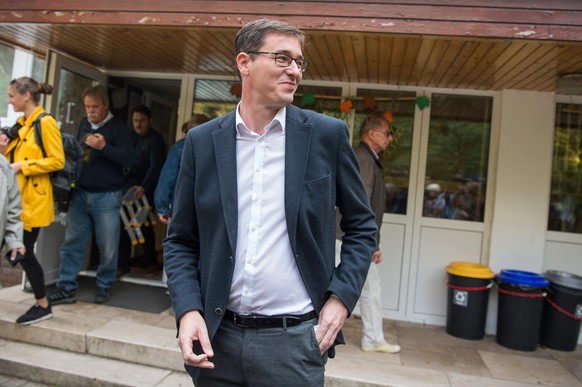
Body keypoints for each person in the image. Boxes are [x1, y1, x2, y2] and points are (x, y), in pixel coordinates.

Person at [163, 18, 377, 386]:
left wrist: (341, 299)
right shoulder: (202, 142)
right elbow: (181, 240)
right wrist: (188, 310)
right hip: (217, 342)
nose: (294, 70)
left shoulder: (326, 135)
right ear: (244, 63)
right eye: (282, 58)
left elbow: (362, 226)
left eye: (298, 61)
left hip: (295, 345)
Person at [48, 85, 136, 305]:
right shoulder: (84, 125)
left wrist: (104, 147)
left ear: (105, 106)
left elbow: (130, 160)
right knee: (72, 242)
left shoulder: (119, 129)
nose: (90, 111)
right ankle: (66, 286)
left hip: (107, 196)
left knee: (107, 246)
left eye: (95, 106)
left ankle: (104, 285)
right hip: (80, 194)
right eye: (87, 107)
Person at [0, 77, 65, 325]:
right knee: (22, 252)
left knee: (24, 252)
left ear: (26, 95)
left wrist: (21, 166)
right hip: (13, 200)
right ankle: (42, 302)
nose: (9, 100)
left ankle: (43, 304)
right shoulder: (21, 124)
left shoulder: (45, 122)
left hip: (33, 202)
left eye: (11, 95)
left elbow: (57, 160)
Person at [345, 113, 401, 354]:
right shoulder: (365, 160)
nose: (390, 138)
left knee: (366, 289)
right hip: (352, 238)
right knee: (370, 290)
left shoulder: (368, 158)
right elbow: (361, 203)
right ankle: (373, 339)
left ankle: (373, 338)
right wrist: (371, 243)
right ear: (371, 134)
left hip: (350, 238)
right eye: (387, 133)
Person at [118, 105, 166, 274]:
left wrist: (144, 187)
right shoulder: (130, 138)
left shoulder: (155, 140)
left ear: (149, 121)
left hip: (146, 192)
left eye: (142, 120)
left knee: (144, 227)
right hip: (127, 190)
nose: (138, 124)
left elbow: (156, 167)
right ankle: (123, 265)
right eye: (135, 120)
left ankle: (151, 262)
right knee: (123, 227)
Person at [154, 113, 209, 225]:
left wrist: (163, 208)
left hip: (181, 208)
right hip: (206, 210)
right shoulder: (214, 150)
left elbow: (167, 178)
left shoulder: (179, 148)